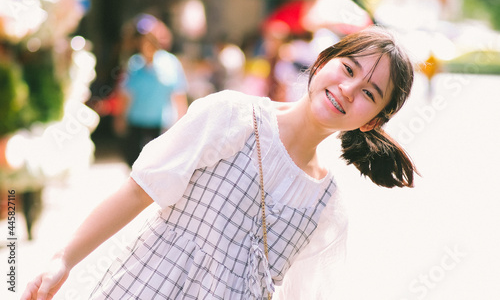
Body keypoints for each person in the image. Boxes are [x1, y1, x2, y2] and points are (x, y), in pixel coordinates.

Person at [22, 26, 417, 300]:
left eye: (369, 92)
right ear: (322, 62)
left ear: (373, 120)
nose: (347, 90)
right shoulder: (231, 116)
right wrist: (64, 259)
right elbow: (138, 190)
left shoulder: (326, 207)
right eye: (348, 69)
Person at [114, 13, 189, 167]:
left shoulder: (170, 63)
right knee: (135, 163)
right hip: (137, 122)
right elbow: (126, 94)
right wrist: (120, 117)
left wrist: (183, 123)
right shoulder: (134, 64)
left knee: (156, 164)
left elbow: (178, 95)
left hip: (160, 124)